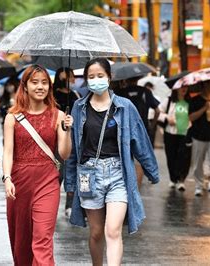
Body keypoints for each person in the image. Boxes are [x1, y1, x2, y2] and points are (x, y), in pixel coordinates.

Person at [65, 58, 159, 265]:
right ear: (86, 80)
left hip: (118, 174)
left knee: (113, 230)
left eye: (100, 76)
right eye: (91, 77)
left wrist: (152, 171)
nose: (96, 80)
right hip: (89, 175)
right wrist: (70, 182)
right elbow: (72, 151)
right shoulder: (78, 108)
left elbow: (140, 140)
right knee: (96, 232)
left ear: (109, 77)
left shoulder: (125, 107)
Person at [2, 65, 73, 265]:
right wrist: (7, 178)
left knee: (43, 238)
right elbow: (8, 152)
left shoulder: (58, 115)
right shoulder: (12, 117)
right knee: (21, 241)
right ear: (24, 87)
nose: (40, 87)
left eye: (44, 83)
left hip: (48, 180)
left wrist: (66, 131)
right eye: (35, 82)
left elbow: (65, 154)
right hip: (19, 182)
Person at [116, 76, 160, 188]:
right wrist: (152, 124)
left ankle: (124, 185)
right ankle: (136, 188)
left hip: (124, 130)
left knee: (125, 158)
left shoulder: (120, 92)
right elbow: (157, 110)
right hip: (142, 129)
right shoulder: (146, 92)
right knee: (139, 160)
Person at [53, 67, 80, 218]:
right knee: (57, 173)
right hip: (54, 140)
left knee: (71, 172)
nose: (71, 79)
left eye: (72, 77)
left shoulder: (75, 95)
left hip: (72, 138)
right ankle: (51, 202)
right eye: (68, 77)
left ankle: (69, 205)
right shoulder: (52, 95)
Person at [158, 86, 191, 191]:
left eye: (186, 87)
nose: (184, 89)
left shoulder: (190, 102)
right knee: (171, 156)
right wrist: (167, 118)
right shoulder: (169, 101)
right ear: (176, 88)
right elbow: (158, 112)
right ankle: (173, 179)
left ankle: (181, 180)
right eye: (181, 87)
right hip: (170, 132)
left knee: (183, 156)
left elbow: (193, 116)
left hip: (184, 132)